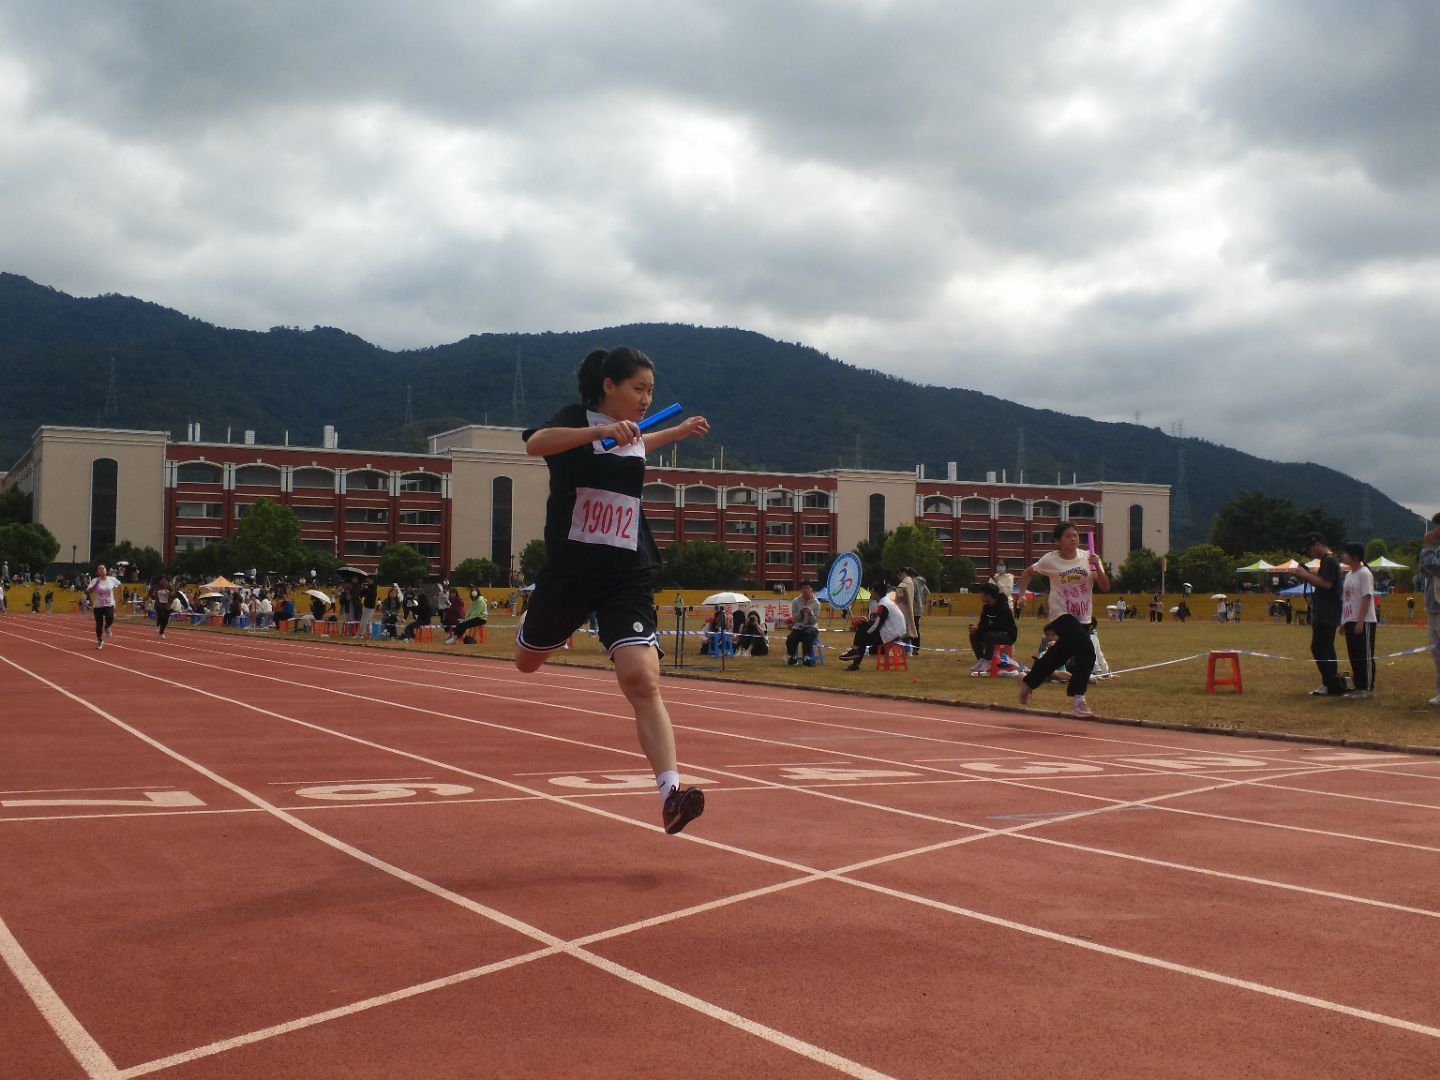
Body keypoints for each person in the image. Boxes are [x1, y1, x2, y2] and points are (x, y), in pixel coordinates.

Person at [514, 345, 710, 835]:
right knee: (527, 662)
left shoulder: (635, 434)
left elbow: (638, 444)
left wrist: (677, 432)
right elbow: (535, 444)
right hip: (571, 571)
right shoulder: (576, 420)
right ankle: (532, 624)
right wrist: (599, 431)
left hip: (626, 571)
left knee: (643, 680)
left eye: (651, 391)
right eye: (638, 389)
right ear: (609, 386)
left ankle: (671, 794)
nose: (646, 399)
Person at [1016, 523, 1110, 717]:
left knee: (1057, 656)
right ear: (1058, 541)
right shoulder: (1050, 560)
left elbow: (1105, 586)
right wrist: (1022, 595)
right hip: (1061, 614)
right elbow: (1027, 573)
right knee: (1087, 652)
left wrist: (1098, 568)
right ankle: (1079, 699)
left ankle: (1028, 681)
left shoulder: (1089, 557)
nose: (1073, 539)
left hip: (1083, 616)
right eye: (1068, 536)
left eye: (1075, 535)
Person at [1291, 532, 1345, 697]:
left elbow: (1326, 584)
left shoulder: (1329, 561)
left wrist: (1306, 575)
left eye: (1309, 549)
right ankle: (1332, 682)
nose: (1309, 553)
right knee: (1327, 647)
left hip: (1326, 613)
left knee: (1319, 647)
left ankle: (1329, 683)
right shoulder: (1330, 561)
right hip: (1330, 612)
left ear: (1317, 544)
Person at [837, 584, 907, 671]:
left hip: (890, 634)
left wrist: (867, 632)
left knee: (862, 631)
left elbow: (878, 625)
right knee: (863, 628)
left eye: (872, 591)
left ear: (877, 593)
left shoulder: (883, 605)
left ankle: (855, 655)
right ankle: (855, 655)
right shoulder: (886, 602)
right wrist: (868, 623)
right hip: (894, 632)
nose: (870, 593)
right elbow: (880, 621)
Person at [1339, 543, 1377, 698]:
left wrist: (1360, 621)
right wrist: (1343, 622)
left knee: (1364, 655)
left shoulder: (1364, 573)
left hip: (1364, 621)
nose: (1343, 556)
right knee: (1354, 655)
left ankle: (1366, 688)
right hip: (1350, 620)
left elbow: (1367, 597)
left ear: (1354, 556)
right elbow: (1347, 600)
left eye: (1346, 553)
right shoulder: (1349, 575)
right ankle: (1358, 686)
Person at [968, 581, 1019, 673]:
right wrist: (977, 628)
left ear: (988, 595)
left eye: (982, 594)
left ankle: (988, 661)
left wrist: (980, 628)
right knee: (973, 634)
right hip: (992, 632)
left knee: (989, 636)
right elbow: (983, 623)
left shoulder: (1003, 607)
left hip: (1008, 634)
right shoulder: (986, 608)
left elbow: (1000, 625)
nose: (980, 596)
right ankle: (981, 660)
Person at [1418, 514, 1440, 706]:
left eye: (1437, 526)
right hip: (1434, 606)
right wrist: (1427, 550)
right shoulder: (1436, 550)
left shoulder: (1434, 549)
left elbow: (1435, 568)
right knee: (1436, 652)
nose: (1434, 530)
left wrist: (1428, 548)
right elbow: (1425, 571)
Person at [86, 563, 122, 649]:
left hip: (109, 604)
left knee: (110, 618)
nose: (102, 570)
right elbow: (89, 591)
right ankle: (100, 640)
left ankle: (107, 627)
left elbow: (120, 584)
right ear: (97, 572)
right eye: (100, 569)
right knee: (99, 624)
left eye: (103, 568)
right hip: (98, 606)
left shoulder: (111, 579)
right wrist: (96, 584)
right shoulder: (95, 580)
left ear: (106, 570)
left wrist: (121, 596)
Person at [786, 580, 820, 666]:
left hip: (811, 627)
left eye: (807, 588)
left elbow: (814, 621)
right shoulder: (796, 601)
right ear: (800, 590)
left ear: (812, 589)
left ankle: (807, 658)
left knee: (807, 634)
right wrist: (800, 613)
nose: (805, 590)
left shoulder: (816, 603)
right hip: (798, 627)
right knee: (791, 638)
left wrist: (810, 613)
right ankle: (793, 657)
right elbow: (794, 620)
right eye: (803, 588)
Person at [894, 566, 918, 653]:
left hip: (902, 610)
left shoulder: (904, 583)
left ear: (903, 573)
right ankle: (907, 651)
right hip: (908, 609)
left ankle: (905, 651)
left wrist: (897, 590)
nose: (899, 578)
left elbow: (899, 597)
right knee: (906, 631)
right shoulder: (910, 581)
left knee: (902, 631)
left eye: (899, 575)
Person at [148, 574, 173, 639]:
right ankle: (158, 624)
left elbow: (173, 595)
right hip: (158, 604)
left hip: (167, 605)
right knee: (161, 616)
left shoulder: (169, 587)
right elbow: (150, 592)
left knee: (166, 620)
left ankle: (161, 632)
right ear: (159, 581)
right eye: (162, 580)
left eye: (164, 580)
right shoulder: (156, 586)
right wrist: (149, 598)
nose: (163, 581)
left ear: (167, 581)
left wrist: (169, 594)